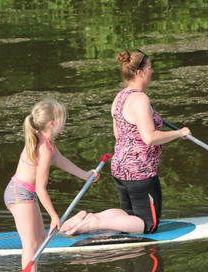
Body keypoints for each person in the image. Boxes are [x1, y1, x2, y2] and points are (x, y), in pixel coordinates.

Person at [60, 49, 190, 236]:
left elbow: (118, 135)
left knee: (130, 216)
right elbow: (149, 138)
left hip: (120, 167)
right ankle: (94, 222)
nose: (152, 72)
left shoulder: (119, 97)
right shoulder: (140, 99)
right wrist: (179, 133)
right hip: (140, 172)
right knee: (147, 225)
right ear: (139, 72)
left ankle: (89, 217)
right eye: (150, 68)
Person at [4, 99, 99, 272]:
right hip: (20, 194)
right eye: (62, 118)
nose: (65, 121)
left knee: (37, 241)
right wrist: (54, 216)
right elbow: (40, 188)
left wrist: (85, 175)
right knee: (31, 245)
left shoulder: (49, 143)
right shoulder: (43, 149)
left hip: (25, 194)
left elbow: (61, 159)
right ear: (52, 123)